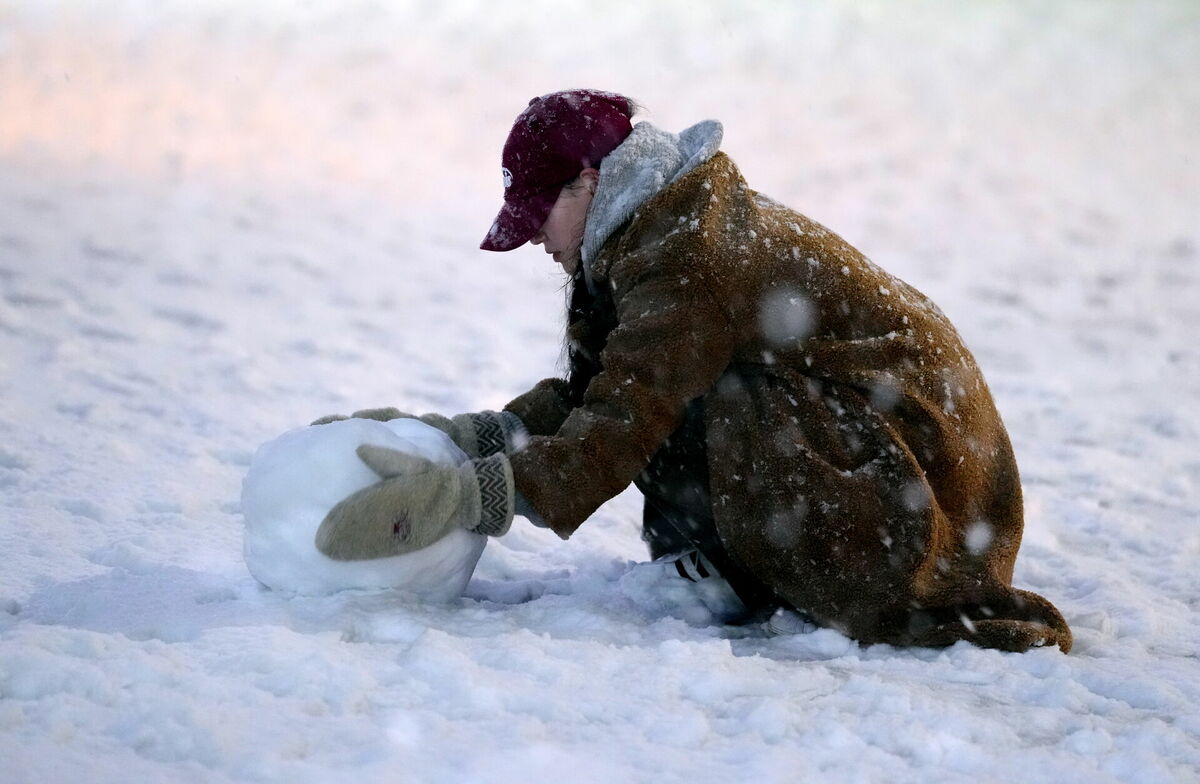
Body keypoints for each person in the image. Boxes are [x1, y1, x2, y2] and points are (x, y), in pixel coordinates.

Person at [312, 89, 1072, 653]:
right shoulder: (650, 229)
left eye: (539, 214)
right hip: (876, 470)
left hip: (931, 497)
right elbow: (600, 391)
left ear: (588, 182)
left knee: (736, 396)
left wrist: (461, 498)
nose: (534, 240)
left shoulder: (690, 258)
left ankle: (782, 577)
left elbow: (623, 421)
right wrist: (462, 437)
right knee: (701, 390)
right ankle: (743, 566)